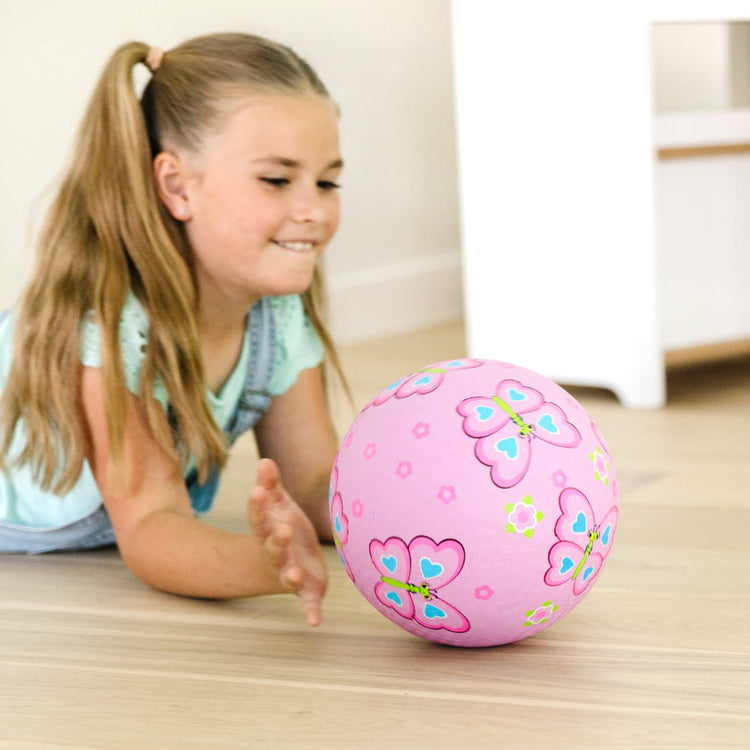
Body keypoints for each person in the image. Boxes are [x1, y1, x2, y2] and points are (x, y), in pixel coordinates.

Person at [0, 33, 348, 627]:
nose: (313, 209)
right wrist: (261, 564)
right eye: (276, 180)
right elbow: (151, 524)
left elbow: (316, 480)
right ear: (177, 186)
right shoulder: (113, 328)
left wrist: (409, 516)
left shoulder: (276, 316)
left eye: (327, 182)